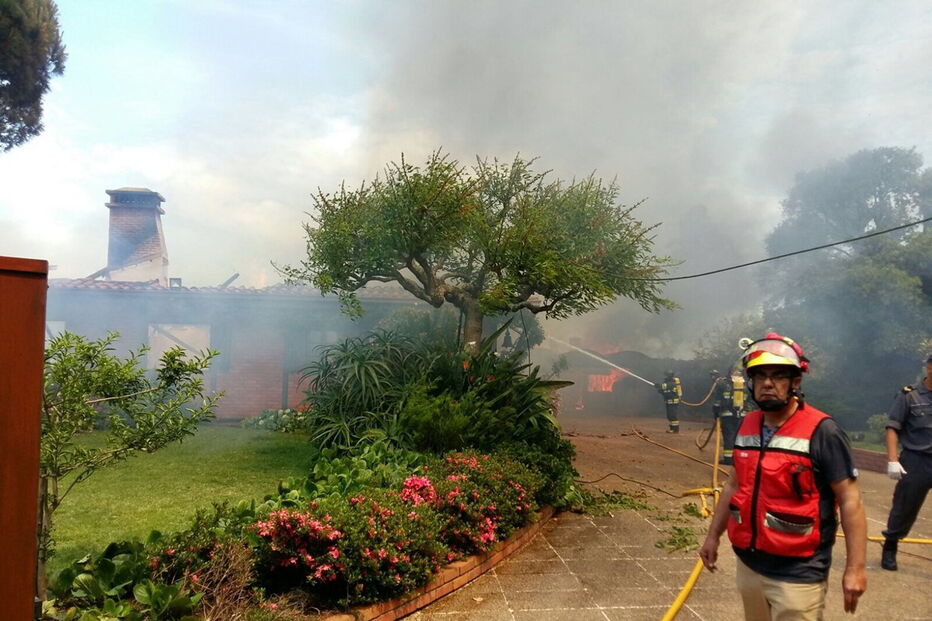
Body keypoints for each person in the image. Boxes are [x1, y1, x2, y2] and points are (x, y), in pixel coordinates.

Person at [699, 333, 867, 620]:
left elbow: (851, 501)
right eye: (760, 376)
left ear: (795, 382)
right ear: (751, 382)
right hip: (749, 564)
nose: (767, 383)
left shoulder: (822, 431)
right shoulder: (748, 424)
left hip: (798, 571)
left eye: (778, 376)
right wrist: (713, 536)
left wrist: (855, 569)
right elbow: (733, 485)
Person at [880, 353, 932, 571]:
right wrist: (893, 459)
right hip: (916, 460)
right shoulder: (910, 396)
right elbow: (893, 427)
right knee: (905, 507)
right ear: (929, 367)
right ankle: (890, 546)